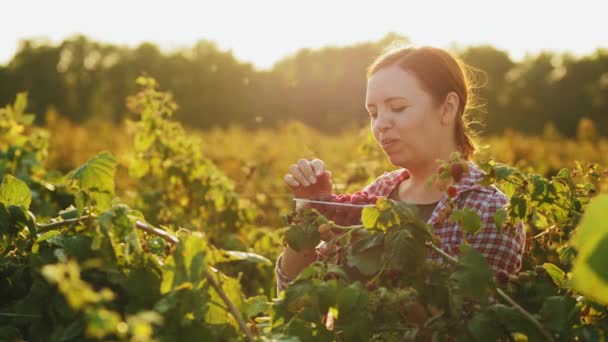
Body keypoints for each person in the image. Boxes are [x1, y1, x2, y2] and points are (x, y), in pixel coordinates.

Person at [275, 45, 526, 295]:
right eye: (373, 113)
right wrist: (310, 211)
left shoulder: (489, 211)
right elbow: (297, 299)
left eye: (397, 107)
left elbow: (470, 324)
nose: (381, 125)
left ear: (447, 108)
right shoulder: (381, 191)